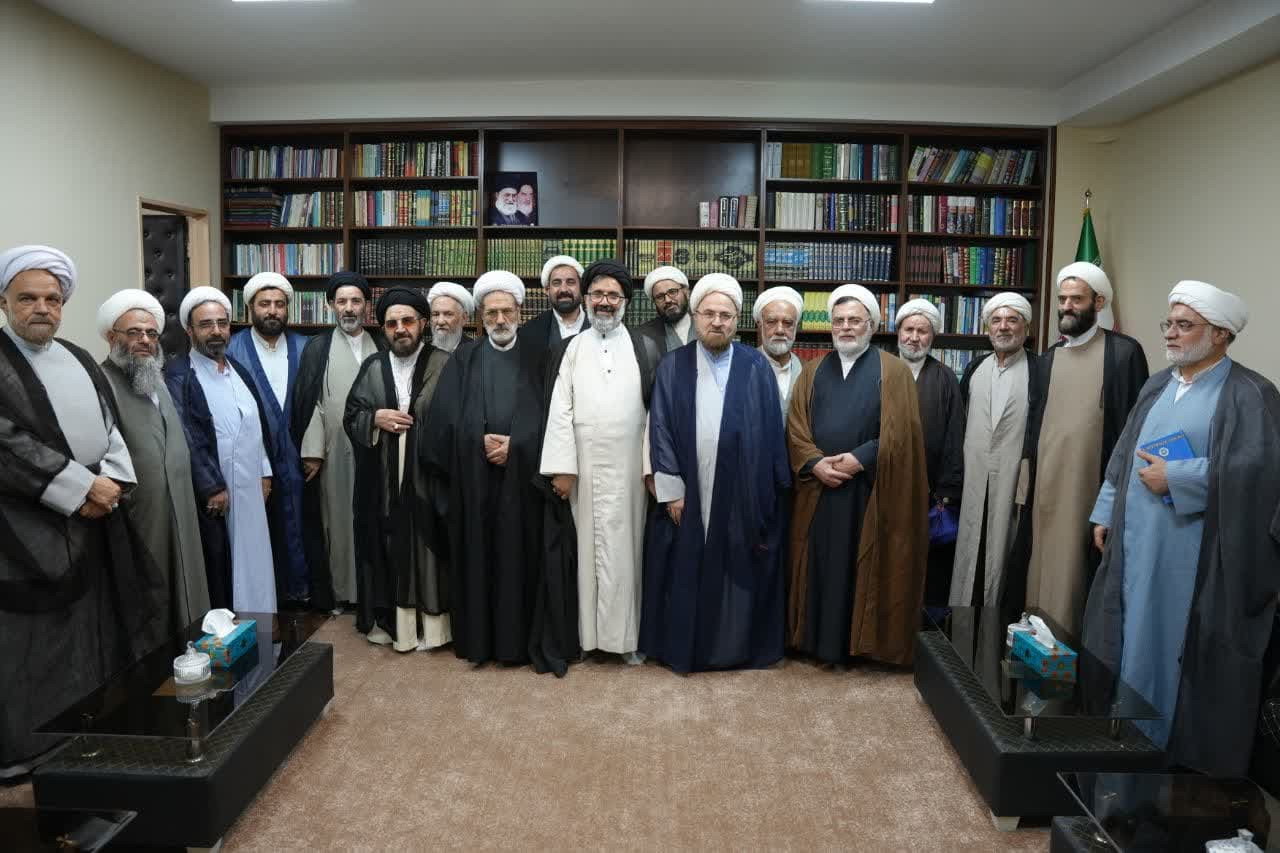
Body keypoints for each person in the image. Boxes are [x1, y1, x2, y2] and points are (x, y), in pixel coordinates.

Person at [1084, 281, 1280, 776]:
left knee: (1170, 647)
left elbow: (1260, 475)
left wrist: (1179, 476)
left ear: (1220, 334)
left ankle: (1164, 756)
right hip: (1136, 543)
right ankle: (1121, 742)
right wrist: (1106, 510)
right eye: (1168, 324)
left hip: (1192, 553)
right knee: (1127, 636)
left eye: (1184, 325)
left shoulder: (1250, 394)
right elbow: (1124, 453)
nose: (1170, 333)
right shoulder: (1158, 385)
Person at [0, 246, 155, 776]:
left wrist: (111, 484)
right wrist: (81, 488)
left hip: (96, 513)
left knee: (95, 630)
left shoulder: (77, 355)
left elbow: (110, 426)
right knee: (37, 645)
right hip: (25, 530)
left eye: (52, 299)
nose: (42, 308)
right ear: (4, 303)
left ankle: (89, 727)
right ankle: (30, 750)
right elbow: (8, 444)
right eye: (28, 298)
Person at [640, 273, 791, 673]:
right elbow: (660, 430)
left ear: (737, 320)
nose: (717, 322)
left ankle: (732, 649)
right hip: (690, 489)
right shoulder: (673, 366)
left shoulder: (756, 365)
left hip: (743, 491)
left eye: (726, 315)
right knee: (688, 564)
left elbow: (772, 433)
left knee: (736, 565)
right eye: (709, 314)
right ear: (696, 316)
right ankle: (690, 649)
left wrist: (769, 492)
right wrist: (671, 490)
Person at [786, 285, 928, 666]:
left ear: (871, 325)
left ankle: (859, 647)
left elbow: (903, 435)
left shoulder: (894, 371)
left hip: (870, 490)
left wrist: (861, 457)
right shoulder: (812, 371)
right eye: (839, 321)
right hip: (819, 489)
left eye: (854, 320)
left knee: (861, 565)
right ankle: (819, 644)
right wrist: (815, 463)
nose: (846, 327)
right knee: (821, 564)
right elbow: (795, 428)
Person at [539, 260, 661, 671]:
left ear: (625, 301)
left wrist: (651, 468)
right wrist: (563, 467)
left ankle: (625, 639)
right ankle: (588, 639)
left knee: (628, 553)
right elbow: (560, 408)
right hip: (584, 469)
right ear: (586, 298)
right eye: (598, 294)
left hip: (630, 470)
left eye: (613, 295)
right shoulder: (571, 348)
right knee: (587, 552)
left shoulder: (645, 346)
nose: (604, 302)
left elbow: (656, 412)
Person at [423, 270, 548, 666]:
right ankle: (480, 642)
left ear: (520, 312)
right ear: (480, 317)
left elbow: (555, 419)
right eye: (491, 313)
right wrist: (477, 440)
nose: (500, 320)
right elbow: (443, 423)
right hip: (474, 482)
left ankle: (517, 644)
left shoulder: (540, 357)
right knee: (478, 561)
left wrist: (519, 445)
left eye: (506, 311)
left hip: (523, 485)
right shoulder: (465, 358)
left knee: (520, 562)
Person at [1017, 262, 1148, 635]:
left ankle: (1071, 647)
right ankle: (1036, 641)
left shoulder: (1123, 353)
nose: (1066, 307)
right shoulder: (1048, 358)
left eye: (1076, 299)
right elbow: (1033, 426)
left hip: (1090, 489)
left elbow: (1134, 427)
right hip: (1045, 487)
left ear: (1099, 302)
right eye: (1062, 299)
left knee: (1077, 571)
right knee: (1038, 565)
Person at [344, 287, 451, 651]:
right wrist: (375, 417)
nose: (400, 329)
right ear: (383, 328)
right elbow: (352, 415)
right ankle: (397, 628)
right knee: (389, 546)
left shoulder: (444, 362)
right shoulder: (373, 366)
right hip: (384, 478)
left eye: (408, 321)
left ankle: (433, 629)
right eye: (392, 323)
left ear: (423, 323)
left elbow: (459, 415)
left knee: (429, 546)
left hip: (430, 475)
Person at [97, 288, 210, 632]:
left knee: (186, 585)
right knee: (150, 594)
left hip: (180, 505)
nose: (144, 340)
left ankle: (188, 648)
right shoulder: (101, 382)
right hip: (139, 511)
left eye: (151, 333)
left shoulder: (155, 379)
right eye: (133, 332)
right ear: (111, 337)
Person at [166, 287, 277, 614]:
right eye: (206, 324)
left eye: (222, 323)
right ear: (189, 331)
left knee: (254, 556)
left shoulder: (237, 369)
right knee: (221, 561)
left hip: (250, 486)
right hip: (217, 489)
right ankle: (229, 629)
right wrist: (211, 486)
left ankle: (259, 623)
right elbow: (187, 436)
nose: (216, 331)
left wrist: (265, 472)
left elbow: (257, 426)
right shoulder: (179, 374)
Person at [292, 272, 384, 614]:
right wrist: (313, 452)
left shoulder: (383, 342)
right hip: (336, 451)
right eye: (342, 301)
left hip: (379, 448)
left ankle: (377, 590)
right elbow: (311, 402)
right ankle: (345, 592)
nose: (349, 308)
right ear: (331, 305)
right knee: (339, 520)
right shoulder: (318, 347)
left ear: (366, 305)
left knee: (377, 517)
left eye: (356, 301)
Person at [949, 293, 1041, 611]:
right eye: (997, 320)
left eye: (1012, 320)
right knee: (968, 552)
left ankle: (997, 627)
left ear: (1026, 328)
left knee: (1005, 551)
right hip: (972, 477)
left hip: (1015, 482)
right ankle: (961, 625)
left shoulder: (1040, 370)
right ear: (988, 327)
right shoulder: (975, 367)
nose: (1003, 327)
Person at [227, 272, 310, 605]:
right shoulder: (232, 348)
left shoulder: (306, 347)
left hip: (301, 456)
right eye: (264, 304)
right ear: (250, 307)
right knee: (261, 529)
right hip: (253, 459)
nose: (272, 310)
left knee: (303, 523)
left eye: (279, 304)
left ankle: (302, 592)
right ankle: (268, 598)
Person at [895, 298, 965, 607]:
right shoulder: (881, 369)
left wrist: (947, 492)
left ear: (932, 336)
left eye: (922, 331)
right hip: (885, 488)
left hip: (931, 491)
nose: (914, 337)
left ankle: (927, 623)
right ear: (898, 333)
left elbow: (955, 436)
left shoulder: (945, 377)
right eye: (908, 330)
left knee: (928, 565)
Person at [518, 255, 588, 367]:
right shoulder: (530, 331)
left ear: (581, 287)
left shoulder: (597, 326)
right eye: (556, 283)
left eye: (570, 282)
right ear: (547, 290)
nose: (564, 289)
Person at [753, 285, 804, 415]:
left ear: (796, 327)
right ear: (760, 325)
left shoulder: (808, 371)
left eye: (788, 323)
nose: (780, 330)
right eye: (771, 322)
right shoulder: (743, 367)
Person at [635, 266, 694, 356]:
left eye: (672, 292)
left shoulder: (706, 325)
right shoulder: (642, 335)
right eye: (660, 297)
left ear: (686, 293)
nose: (667, 300)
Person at [427, 281, 474, 352]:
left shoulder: (477, 353)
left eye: (448, 314)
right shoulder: (424, 351)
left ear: (464, 318)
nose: (440, 322)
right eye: (435, 314)